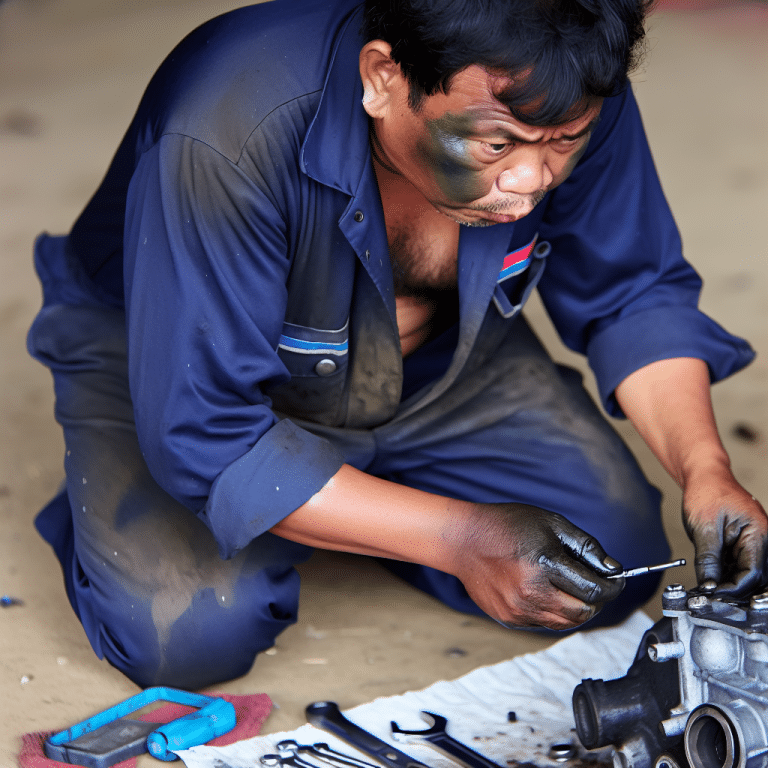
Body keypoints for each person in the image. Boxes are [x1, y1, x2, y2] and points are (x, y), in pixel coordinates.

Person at [27, 0, 766, 691]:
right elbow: (209, 434)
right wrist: (457, 536)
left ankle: (335, 502)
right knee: (186, 637)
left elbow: (633, 294)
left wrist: (706, 470)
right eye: (496, 143)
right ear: (384, 79)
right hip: (181, 363)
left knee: (604, 562)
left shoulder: (563, 87)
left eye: (563, 145)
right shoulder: (227, 125)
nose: (532, 179)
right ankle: (137, 485)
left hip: (435, 362)